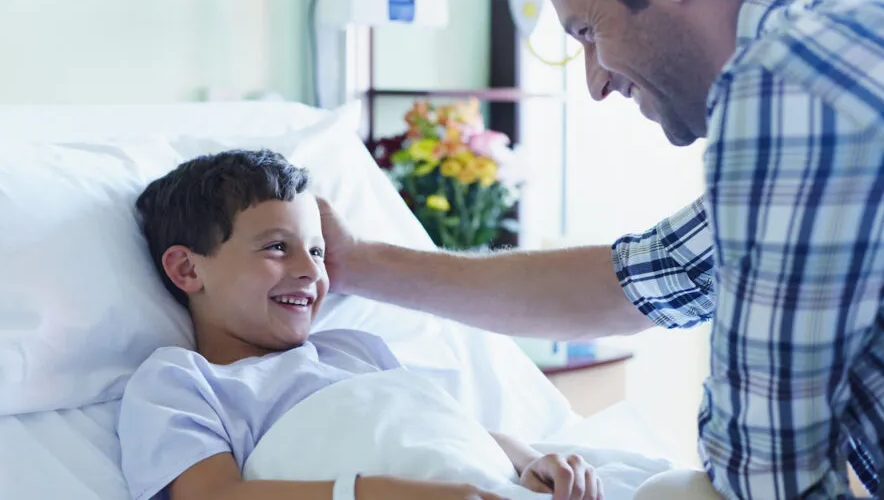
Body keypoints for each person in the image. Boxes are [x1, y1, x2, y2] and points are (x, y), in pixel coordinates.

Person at [316, 0, 884, 498]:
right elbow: (645, 277)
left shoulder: (780, 86)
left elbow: (765, 471)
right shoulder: (861, 34)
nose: (596, 82)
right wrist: (358, 263)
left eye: (589, 30)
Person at [116, 149, 604, 500]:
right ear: (187, 269)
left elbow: (448, 431)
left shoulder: (354, 348)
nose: (310, 271)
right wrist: (378, 494)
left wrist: (531, 460)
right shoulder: (181, 382)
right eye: (276, 247)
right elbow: (214, 496)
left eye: (317, 251)